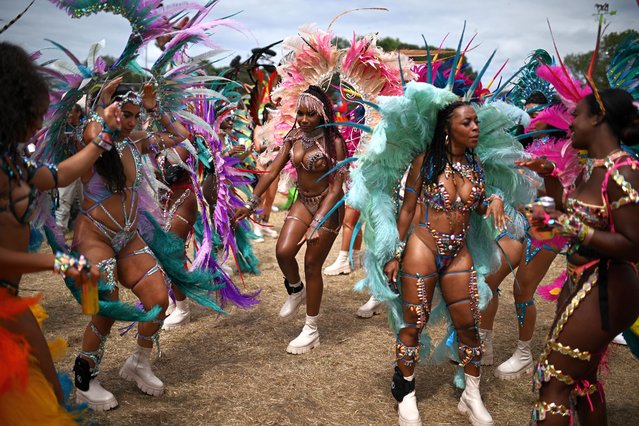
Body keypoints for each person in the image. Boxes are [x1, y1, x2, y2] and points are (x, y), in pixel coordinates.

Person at [70, 77, 207, 410]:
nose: (129, 121)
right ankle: (84, 377)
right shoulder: (93, 141)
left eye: (133, 115)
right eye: (124, 114)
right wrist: (102, 105)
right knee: (105, 307)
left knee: (159, 299)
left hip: (127, 237)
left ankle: (139, 362)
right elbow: (91, 132)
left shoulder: (136, 141)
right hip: (93, 239)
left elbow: (181, 136)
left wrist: (153, 108)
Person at [0, 41, 106, 424]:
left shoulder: (12, 161)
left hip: (8, 301)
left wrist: (101, 140)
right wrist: (58, 261)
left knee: (50, 396)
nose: (43, 115)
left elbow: (59, 175)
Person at [384, 100, 507, 426]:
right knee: (414, 321)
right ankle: (407, 394)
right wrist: (395, 253)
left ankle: (471, 395)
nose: (475, 128)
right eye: (467, 122)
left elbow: (477, 204)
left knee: (469, 325)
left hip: (458, 252)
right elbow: (408, 209)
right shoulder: (425, 162)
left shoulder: (474, 164)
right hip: (422, 247)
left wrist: (493, 200)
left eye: (476, 122)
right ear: (447, 128)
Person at [523, 89, 639, 424]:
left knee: (553, 385)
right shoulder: (595, 168)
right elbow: (563, 215)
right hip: (585, 283)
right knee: (583, 381)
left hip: (608, 286)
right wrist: (548, 176)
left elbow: (633, 245)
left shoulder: (624, 171)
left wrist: (570, 226)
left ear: (598, 117)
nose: (569, 122)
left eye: (576, 115)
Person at [235, 85, 346, 354]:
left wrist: (317, 223)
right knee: (283, 251)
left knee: (311, 265)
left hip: (328, 208)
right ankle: (295, 290)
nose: (304, 119)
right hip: (303, 201)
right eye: (300, 113)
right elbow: (273, 170)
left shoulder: (335, 142)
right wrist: (251, 203)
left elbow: (336, 187)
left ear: (322, 115)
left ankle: (311, 330)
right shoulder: (294, 136)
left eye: (310, 114)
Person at [56, 103, 85, 231]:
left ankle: (88, 231)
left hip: (85, 170)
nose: (68, 114)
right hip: (68, 170)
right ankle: (60, 237)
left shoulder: (86, 126)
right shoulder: (61, 128)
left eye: (71, 111)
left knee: (88, 201)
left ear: (78, 113)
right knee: (63, 202)